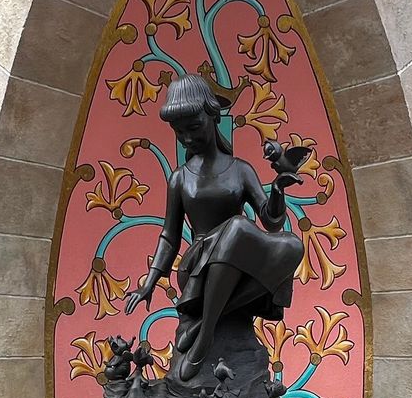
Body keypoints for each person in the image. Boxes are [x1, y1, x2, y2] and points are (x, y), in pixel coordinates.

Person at [123, 73, 305, 382]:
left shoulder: (241, 169)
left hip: (238, 262)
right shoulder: (180, 178)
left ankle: (203, 325)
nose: (188, 139)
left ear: (212, 118)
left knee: (293, 245)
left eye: (193, 128)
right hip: (197, 266)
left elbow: (272, 222)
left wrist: (278, 189)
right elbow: (169, 237)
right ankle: (204, 339)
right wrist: (149, 282)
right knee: (236, 226)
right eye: (180, 133)